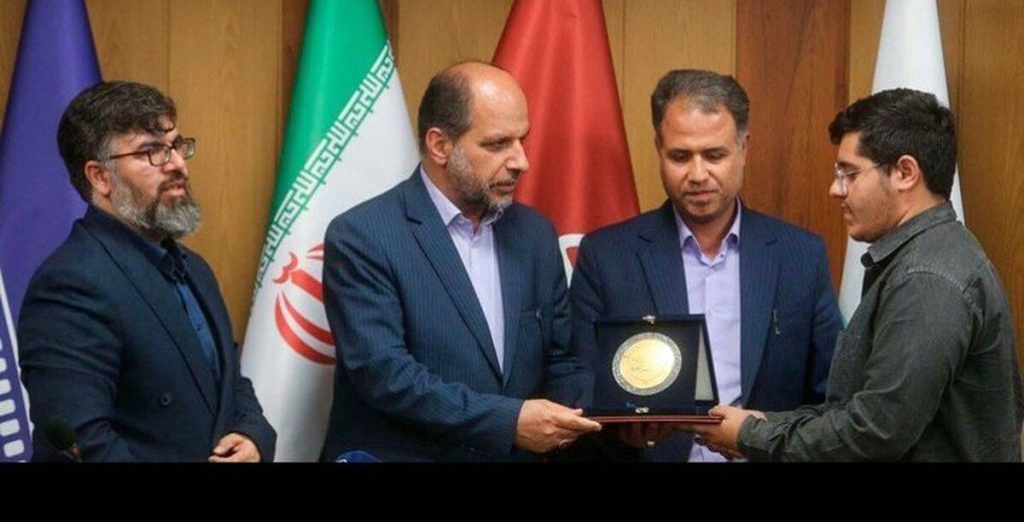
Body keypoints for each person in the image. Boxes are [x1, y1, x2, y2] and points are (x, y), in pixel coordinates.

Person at [692, 88, 1024, 461]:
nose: (836, 189)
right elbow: (855, 409)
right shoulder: (922, 259)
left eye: (849, 173)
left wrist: (751, 435)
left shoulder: (927, 279)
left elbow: (875, 432)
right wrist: (764, 424)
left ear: (905, 173)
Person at [320, 61, 601, 461]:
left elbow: (561, 361)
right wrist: (508, 422)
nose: (521, 161)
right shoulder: (364, 236)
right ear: (440, 145)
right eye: (497, 144)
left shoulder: (535, 235)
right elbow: (385, 375)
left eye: (522, 140)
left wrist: (610, 416)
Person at [570, 69, 842, 461]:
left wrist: (763, 435)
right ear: (659, 149)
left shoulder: (800, 255)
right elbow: (579, 380)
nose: (698, 175)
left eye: (714, 155)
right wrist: (623, 430)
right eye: (680, 156)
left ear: (743, 148)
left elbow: (831, 395)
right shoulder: (607, 255)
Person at [17, 80, 275, 462]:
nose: (178, 164)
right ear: (99, 177)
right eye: (151, 152)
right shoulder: (70, 283)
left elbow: (228, 381)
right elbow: (83, 442)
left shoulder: (194, 268)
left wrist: (254, 435)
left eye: (176, 145)